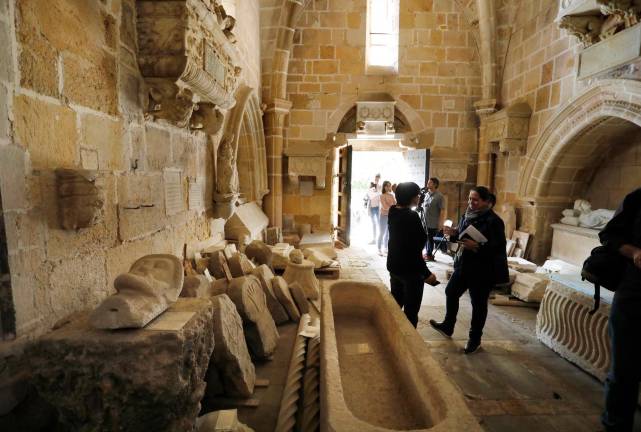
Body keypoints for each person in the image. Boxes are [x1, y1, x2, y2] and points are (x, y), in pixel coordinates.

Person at [429, 186, 507, 354]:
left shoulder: (494, 221)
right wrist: (453, 233)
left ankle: (475, 339)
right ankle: (448, 326)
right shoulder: (467, 215)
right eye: (470, 199)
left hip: (483, 270)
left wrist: (478, 246)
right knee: (451, 292)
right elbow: (463, 235)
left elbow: (498, 248)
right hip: (464, 264)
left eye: (476, 200)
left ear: (486, 202)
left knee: (478, 305)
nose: (471, 202)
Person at [599, 188, 641, 432]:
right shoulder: (637, 199)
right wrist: (635, 252)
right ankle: (615, 425)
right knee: (624, 368)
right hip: (635, 293)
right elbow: (609, 236)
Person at [387, 182, 438, 327]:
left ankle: (392, 334)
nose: (419, 197)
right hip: (410, 271)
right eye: (417, 195)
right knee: (410, 313)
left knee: (395, 306)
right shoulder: (411, 216)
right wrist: (426, 273)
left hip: (394, 265)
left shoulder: (393, 211)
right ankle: (410, 344)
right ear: (412, 197)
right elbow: (413, 251)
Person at [421, 177, 445, 261]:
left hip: (433, 222)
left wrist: (440, 223)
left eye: (430, 182)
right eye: (428, 182)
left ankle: (429, 254)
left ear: (435, 184)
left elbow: (442, 210)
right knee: (423, 237)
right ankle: (423, 253)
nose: (428, 184)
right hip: (424, 221)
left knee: (430, 239)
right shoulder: (427, 194)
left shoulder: (439, 196)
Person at [377, 181, 396, 256]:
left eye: (389, 186)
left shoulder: (392, 195)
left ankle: (385, 248)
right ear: (384, 187)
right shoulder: (382, 196)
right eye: (387, 186)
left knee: (388, 233)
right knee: (382, 232)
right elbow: (385, 207)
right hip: (383, 215)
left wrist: (390, 206)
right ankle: (379, 249)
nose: (389, 187)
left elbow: (395, 205)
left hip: (391, 216)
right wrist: (391, 206)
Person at [364, 174, 382, 244]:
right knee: (373, 224)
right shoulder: (371, 185)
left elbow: (380, 193)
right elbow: (368, 195)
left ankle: (380, 240)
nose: (376, 179)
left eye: (378, 178)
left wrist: (377, 186)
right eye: (375, 178)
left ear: (380, 178)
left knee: (379, 223)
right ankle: (374, 239)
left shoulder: (380, 186)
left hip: (378, 207)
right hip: (371, 207)